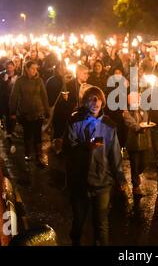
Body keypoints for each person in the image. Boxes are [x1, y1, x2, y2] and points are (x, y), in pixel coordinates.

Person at [65, 86, 127, 246]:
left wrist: (120, 178)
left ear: (102, 101)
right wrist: (86, 146)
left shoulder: (109, 125)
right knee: (78, 222)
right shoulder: (75, 121)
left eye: (98, 99)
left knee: (101, 225)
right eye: (91, 99)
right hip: (80, 181)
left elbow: (114, 154)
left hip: (102, 181)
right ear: (85, 101)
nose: (95, 102)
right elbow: (68, 149)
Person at [9, 60, 50, 166]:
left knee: (37, 134)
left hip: (38, 112)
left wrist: (47, 110)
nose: (34, 70)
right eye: (32, 68)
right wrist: (13, 111)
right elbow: (14, 96)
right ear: (26, 69)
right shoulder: (20, 81)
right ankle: (27, 153)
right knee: (27, 133)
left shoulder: (39, 80)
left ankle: (38, 156)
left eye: (36, 68)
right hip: (25, 113)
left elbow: (44, 96)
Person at [122, 92, 151, 197]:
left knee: (144, 163)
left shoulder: (143, 110)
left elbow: (146, 120)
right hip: (133, 143)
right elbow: (131, 123)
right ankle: (136, 186)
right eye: (135, 99)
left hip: (144, 142)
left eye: (139, 98)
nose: (138, 100)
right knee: (134, 165)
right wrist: (140, 127)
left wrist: (145, 125)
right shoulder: (127, 111)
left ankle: (136, 176)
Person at [0, 61, 18, 152]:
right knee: (7, 115)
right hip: (4, 99)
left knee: (13, 115)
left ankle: (11, 130)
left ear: (14, 67)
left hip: (14, 100)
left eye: (11, 67)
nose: (9, 69)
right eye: (8, 67)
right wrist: (4, 82)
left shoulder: (17, 76)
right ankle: (8, 131)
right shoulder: (2, 75)